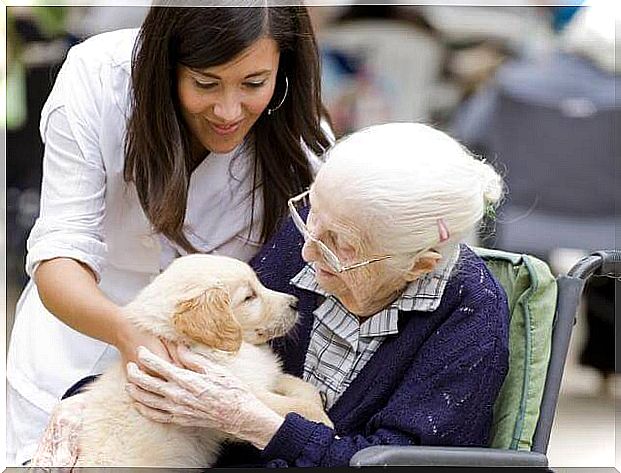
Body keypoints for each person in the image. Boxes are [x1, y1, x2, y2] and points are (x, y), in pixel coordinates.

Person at [35, 123, 510, 468]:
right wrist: (85, 402)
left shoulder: (471, 322)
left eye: (339, 242)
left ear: (419, 265)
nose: (307, 248)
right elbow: (187, 341)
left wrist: (259, 424)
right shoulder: (307, 246)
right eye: (311, 214)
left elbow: (394, 462)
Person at [6, 2, 332, 465]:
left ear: (283, 70)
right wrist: (123, 330)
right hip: (75, 344)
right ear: (167, 63)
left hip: (211, 385)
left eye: (254, 84)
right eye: (205, 83)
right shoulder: (99, 78)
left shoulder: (305, 145)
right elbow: (60, 248)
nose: (228, 109)